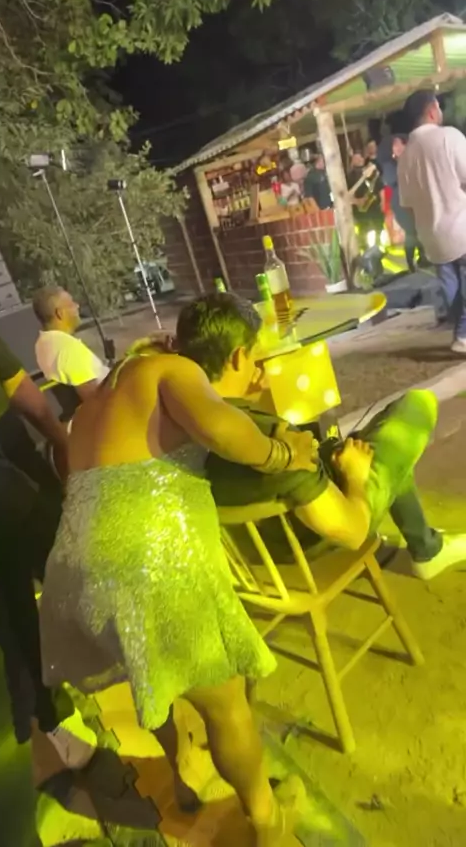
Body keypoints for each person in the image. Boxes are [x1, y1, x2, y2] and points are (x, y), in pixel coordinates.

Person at [38, 313, 319, 845]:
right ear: (237, 357)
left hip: (77, 578)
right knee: (227, 706)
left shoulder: (96, 404)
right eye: (254, 362)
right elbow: (222, 429)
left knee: (152, 680)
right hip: (149, 572)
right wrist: (286, 453)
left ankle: (182, 777)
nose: (256, 374)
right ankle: (267, 822)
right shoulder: (171, 370)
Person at [175, 293, 466, 582]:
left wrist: (247, 398)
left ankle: (426, 547)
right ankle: (428, 551)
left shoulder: (179, 419)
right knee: (416, 405)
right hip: (305, 539)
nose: (259, 364)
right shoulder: (275, 443)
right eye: (255, 355)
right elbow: (353, 532)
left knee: (363, 445)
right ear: (239, 358)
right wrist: (354, 476)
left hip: (252, 548)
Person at [0, 317, 96, 767]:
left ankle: (101, 663)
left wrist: (59, 439)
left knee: (69, 558)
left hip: (12, 454)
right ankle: (52, 714)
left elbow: (14, 383)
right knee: (15, 607)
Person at [398, 89, 466, 353]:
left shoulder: (405, 156)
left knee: (452, 287)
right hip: (460, 226)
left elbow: (407, 205)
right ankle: (463, 334)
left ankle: (461, 332)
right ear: (431, 111)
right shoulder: (449, 137)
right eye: (438, 107)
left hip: (432, 235)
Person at [33, 285, 109, 398]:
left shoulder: (43, 343)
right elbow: (95, 397)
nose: (77, 306)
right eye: (71, 303)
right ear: (60, 313)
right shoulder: (68, 349)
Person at [381, 134, 429, 272]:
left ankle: (422, 257)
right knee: (410, 231)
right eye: (395, 145)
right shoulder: (389, 165)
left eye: (401, 144)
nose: (398, 147)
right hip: (401, 203)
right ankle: (410, 262)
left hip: (416, 201)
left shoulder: (413, 161)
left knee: (419, 229)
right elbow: (391, 181)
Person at [347, 151, 384, 247]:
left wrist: (383, 202)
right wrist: (357, 201)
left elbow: (380, 187)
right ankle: (364, 247)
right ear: (352, 161)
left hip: (375, 207)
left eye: (361, 157)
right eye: (356, 158)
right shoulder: (348, 177)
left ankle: (378, 246)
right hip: (361, 210)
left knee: (378, 227)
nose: (360, 160)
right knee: (363, 230)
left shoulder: (371, 172)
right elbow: (346, 196)